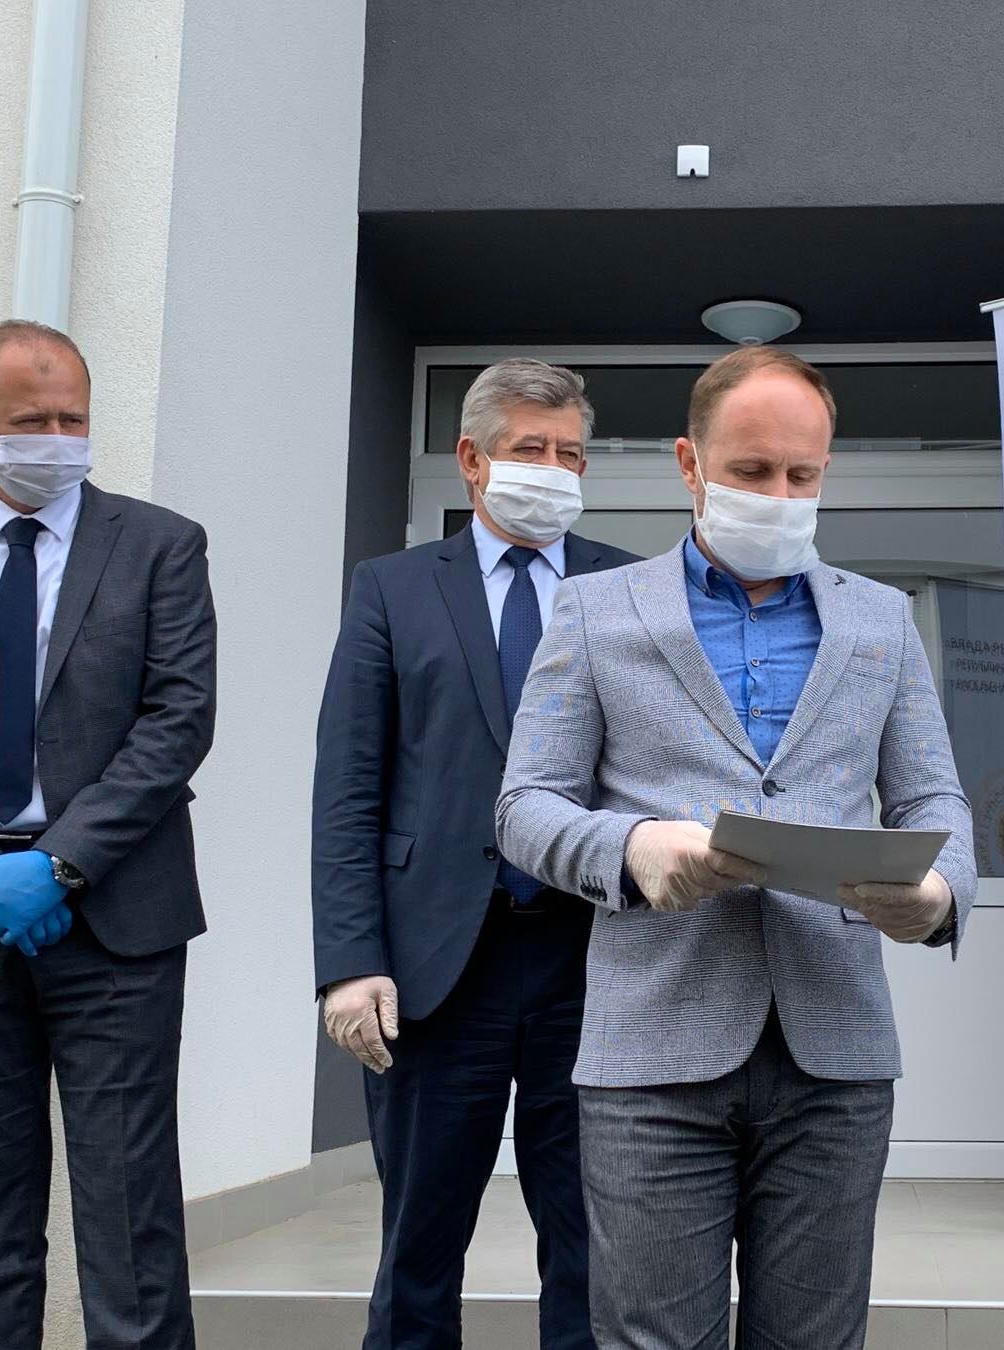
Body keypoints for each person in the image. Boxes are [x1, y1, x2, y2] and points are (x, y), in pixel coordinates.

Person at [495, 346, 977, 1350]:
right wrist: (632, 848)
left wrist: (939, 892)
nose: (779, 496)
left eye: (803, 475)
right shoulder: (594, 610)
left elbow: (933, 794)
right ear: (690, 463)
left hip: (833, 1049)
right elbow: (525, 806)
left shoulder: (882, 620)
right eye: (752, 471)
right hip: (651, 1050)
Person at [0, 320, 217, 1349]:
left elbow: (177, 721)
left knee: (131, 1228)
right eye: (32, 421)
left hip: (115, 920)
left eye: (75, 418)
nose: (59, 439)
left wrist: (59, 863)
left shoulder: (161, 545)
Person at [312, 359, 637, 1350]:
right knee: (419, 1245)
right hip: (434, 971)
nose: (554, 469)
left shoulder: (632, 587)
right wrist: (350, 963)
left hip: (591, 962)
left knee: (594, 1248)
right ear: (471, 459)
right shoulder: (392, 588)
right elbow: (349, 791)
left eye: (570, 453)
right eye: (531, 449)